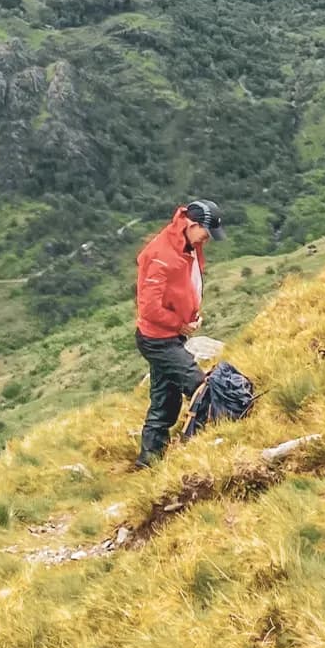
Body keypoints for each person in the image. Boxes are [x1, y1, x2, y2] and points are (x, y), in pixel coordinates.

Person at [134, 199, 221, 468]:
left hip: (170, 336)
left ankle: (149, 461)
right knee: (198, 386)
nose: (207, 239)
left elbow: (185, 283)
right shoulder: (161, 255)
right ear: (192, 225)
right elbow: (149, 308)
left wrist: (190, 316)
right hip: (157, 339)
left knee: (165, 399)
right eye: (205, 233)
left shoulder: (188, 245)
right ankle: (208, 444)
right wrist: (179, 324)